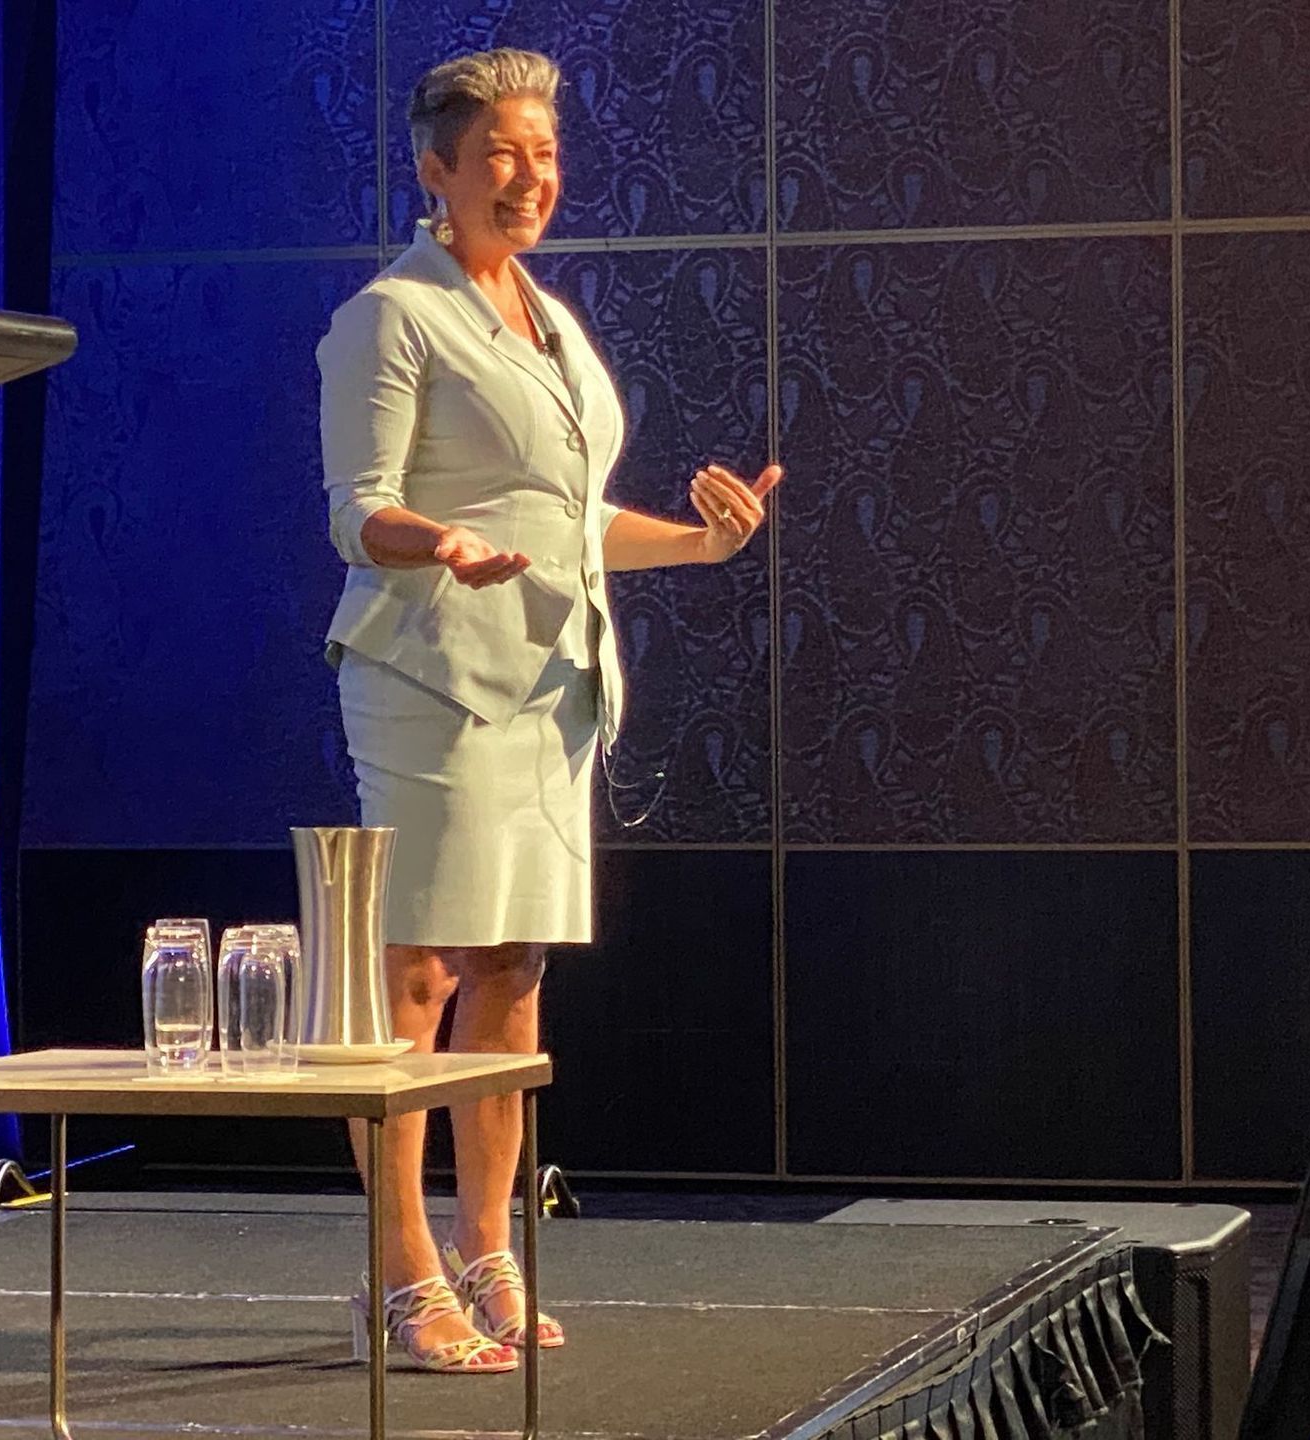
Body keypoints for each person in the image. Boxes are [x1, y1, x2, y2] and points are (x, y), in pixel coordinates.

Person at [316, 47, 783, 1373]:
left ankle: (490, 1249)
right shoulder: (389, 318)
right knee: (417, 976)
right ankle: (400, 1270)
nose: (530, 179)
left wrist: (701, 544)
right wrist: (439, 544)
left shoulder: (549, 320)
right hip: (431, 681)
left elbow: (570, 521)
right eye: (501, 157)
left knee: (513, 973)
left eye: (546, 156)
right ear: (437, 171)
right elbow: (356, 510)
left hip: (549, 683)